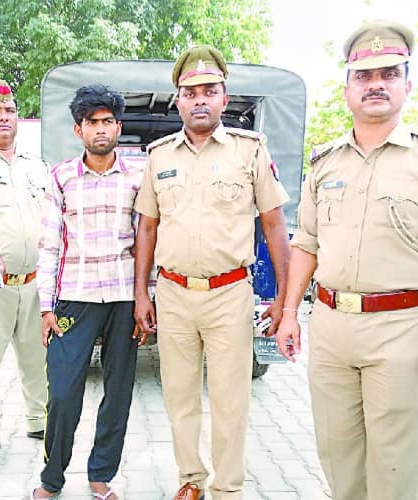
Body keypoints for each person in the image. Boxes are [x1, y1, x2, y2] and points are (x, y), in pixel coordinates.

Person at [134, 46, 291, 500]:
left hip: (229, 294)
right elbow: (147, 227)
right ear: (178, 101)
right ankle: (191, 480)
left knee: (230, 401)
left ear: (224, 98)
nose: (199, 99)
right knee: (179, 396)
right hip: (174, 293)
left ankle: (227, 489)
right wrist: (142, 293)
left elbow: (274, 224)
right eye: (190, 93)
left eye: (209, 91)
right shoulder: (159, 156)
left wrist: (283, 299)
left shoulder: (249, 150)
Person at [276, 20, 418, 500]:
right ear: (347, 90)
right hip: (331, 328)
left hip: (402, 329)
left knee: (396, 465)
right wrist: (290, 313)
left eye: (389, 74)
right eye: (364, 75)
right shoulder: (325, 163)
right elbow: (306, 242)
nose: (376, 84)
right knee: (338, 455)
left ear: (407, 86)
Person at [26, 84, 147, 500]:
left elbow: (148, 241)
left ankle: (101, 475)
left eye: (108, 121)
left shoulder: (138, 177)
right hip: (74, 298)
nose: (101, 129)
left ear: (119, 127)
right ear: (79, 130)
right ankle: (51, 479)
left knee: (118, 392)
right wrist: (46, 307)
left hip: (124, 298)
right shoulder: (61, 177)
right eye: (92, 122)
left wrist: (146, 298)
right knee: (62, 392)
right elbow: (50, 245)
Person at [0, 78, 48, 470]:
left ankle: (39, 420)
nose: (4, 117)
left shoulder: (37, 166)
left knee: (38, 358)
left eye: (10, 110)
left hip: (35, 283)